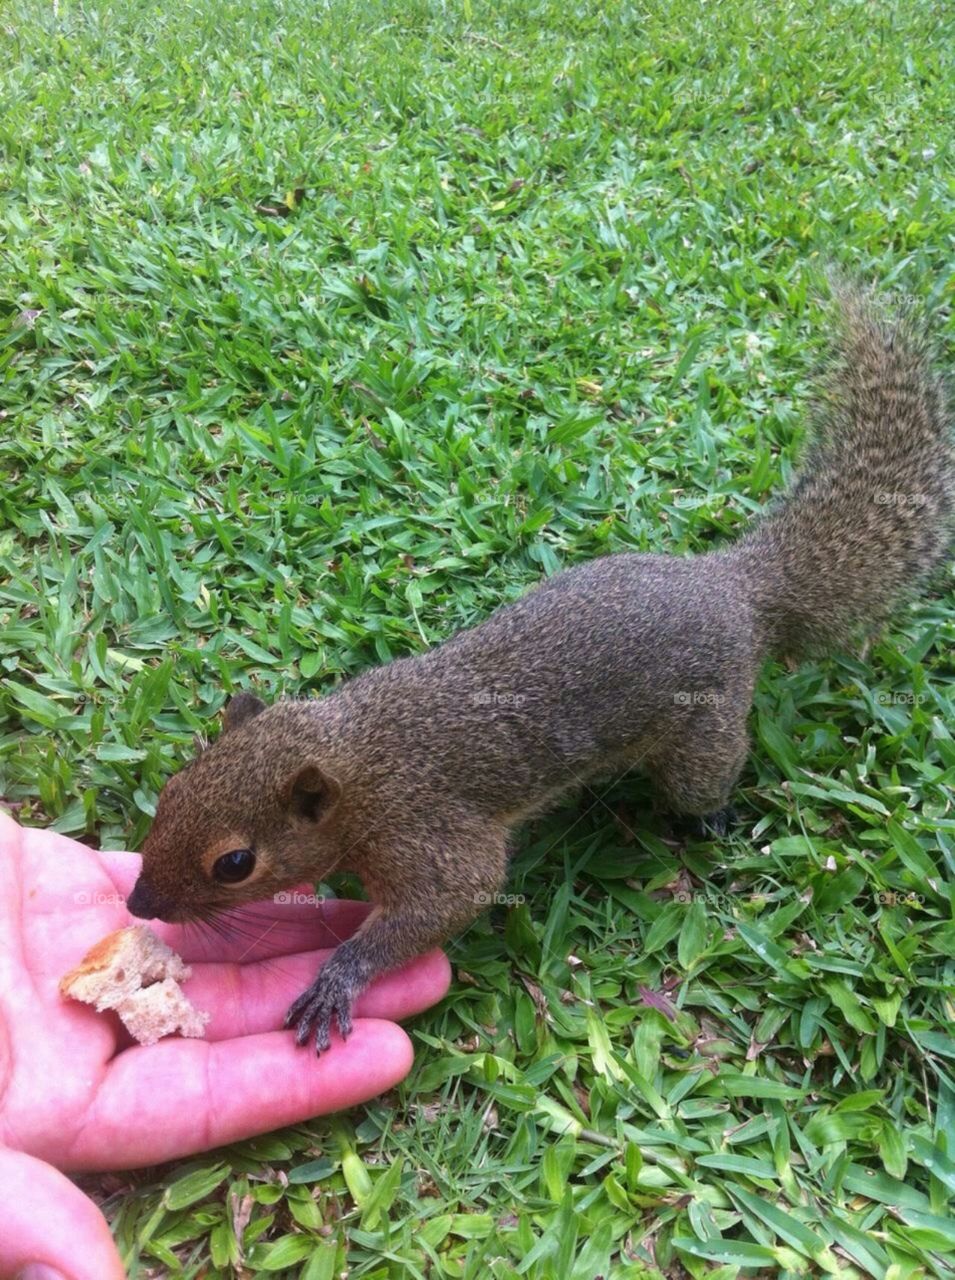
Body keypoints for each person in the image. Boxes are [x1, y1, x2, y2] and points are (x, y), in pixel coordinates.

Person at [0, 809, 450, 1280]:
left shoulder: (400, 833)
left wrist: (351, 967)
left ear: (317, 803)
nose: (142, 904)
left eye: (232, 864)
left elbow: (447, 895)